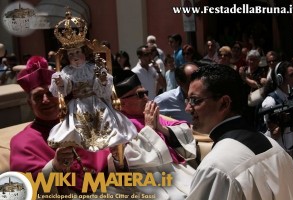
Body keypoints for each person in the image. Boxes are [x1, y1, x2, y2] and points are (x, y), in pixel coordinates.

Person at [185, 64, 293, 199]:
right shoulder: (277, 150)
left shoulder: (216, 168)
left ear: (224, 103)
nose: (187, 108)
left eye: (195, 100)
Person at [10, 56, 110, 195]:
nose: (45, 100)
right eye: (38, 97)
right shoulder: (21, 142)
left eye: (50, 93)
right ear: (30, 104)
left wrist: (117, 158)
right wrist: (54, 167)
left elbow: (107, 161)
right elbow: (24, 187)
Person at [47, 10, 137, 152]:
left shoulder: (92, 67)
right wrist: (60, 83)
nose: (75, 57)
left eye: (78, 53)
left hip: (96, 100)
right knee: (76, 126)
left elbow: (104, 88)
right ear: (67, 57)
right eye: (71, 54)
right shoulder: (67, 71)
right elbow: (65, 87)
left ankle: (111, 151)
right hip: (77, 104)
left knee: (105, 119)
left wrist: (101, 79)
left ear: (84, 53)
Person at [111, 70, 197, 199]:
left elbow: (185, 130)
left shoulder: (152, 116)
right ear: (122, 103)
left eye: (146, 93)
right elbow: (126, 158)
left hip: (175, 168)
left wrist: (161, 128)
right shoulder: (119, 125)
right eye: (140, 95)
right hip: (146, 175)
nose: (146, 97)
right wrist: (149, 129)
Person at [261, 61, 293, 153]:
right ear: (280, 78)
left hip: (292, 148)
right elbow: (273, 134)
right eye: (291, 75)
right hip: (276, 151)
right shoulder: (270, 102)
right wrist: (284, 121)